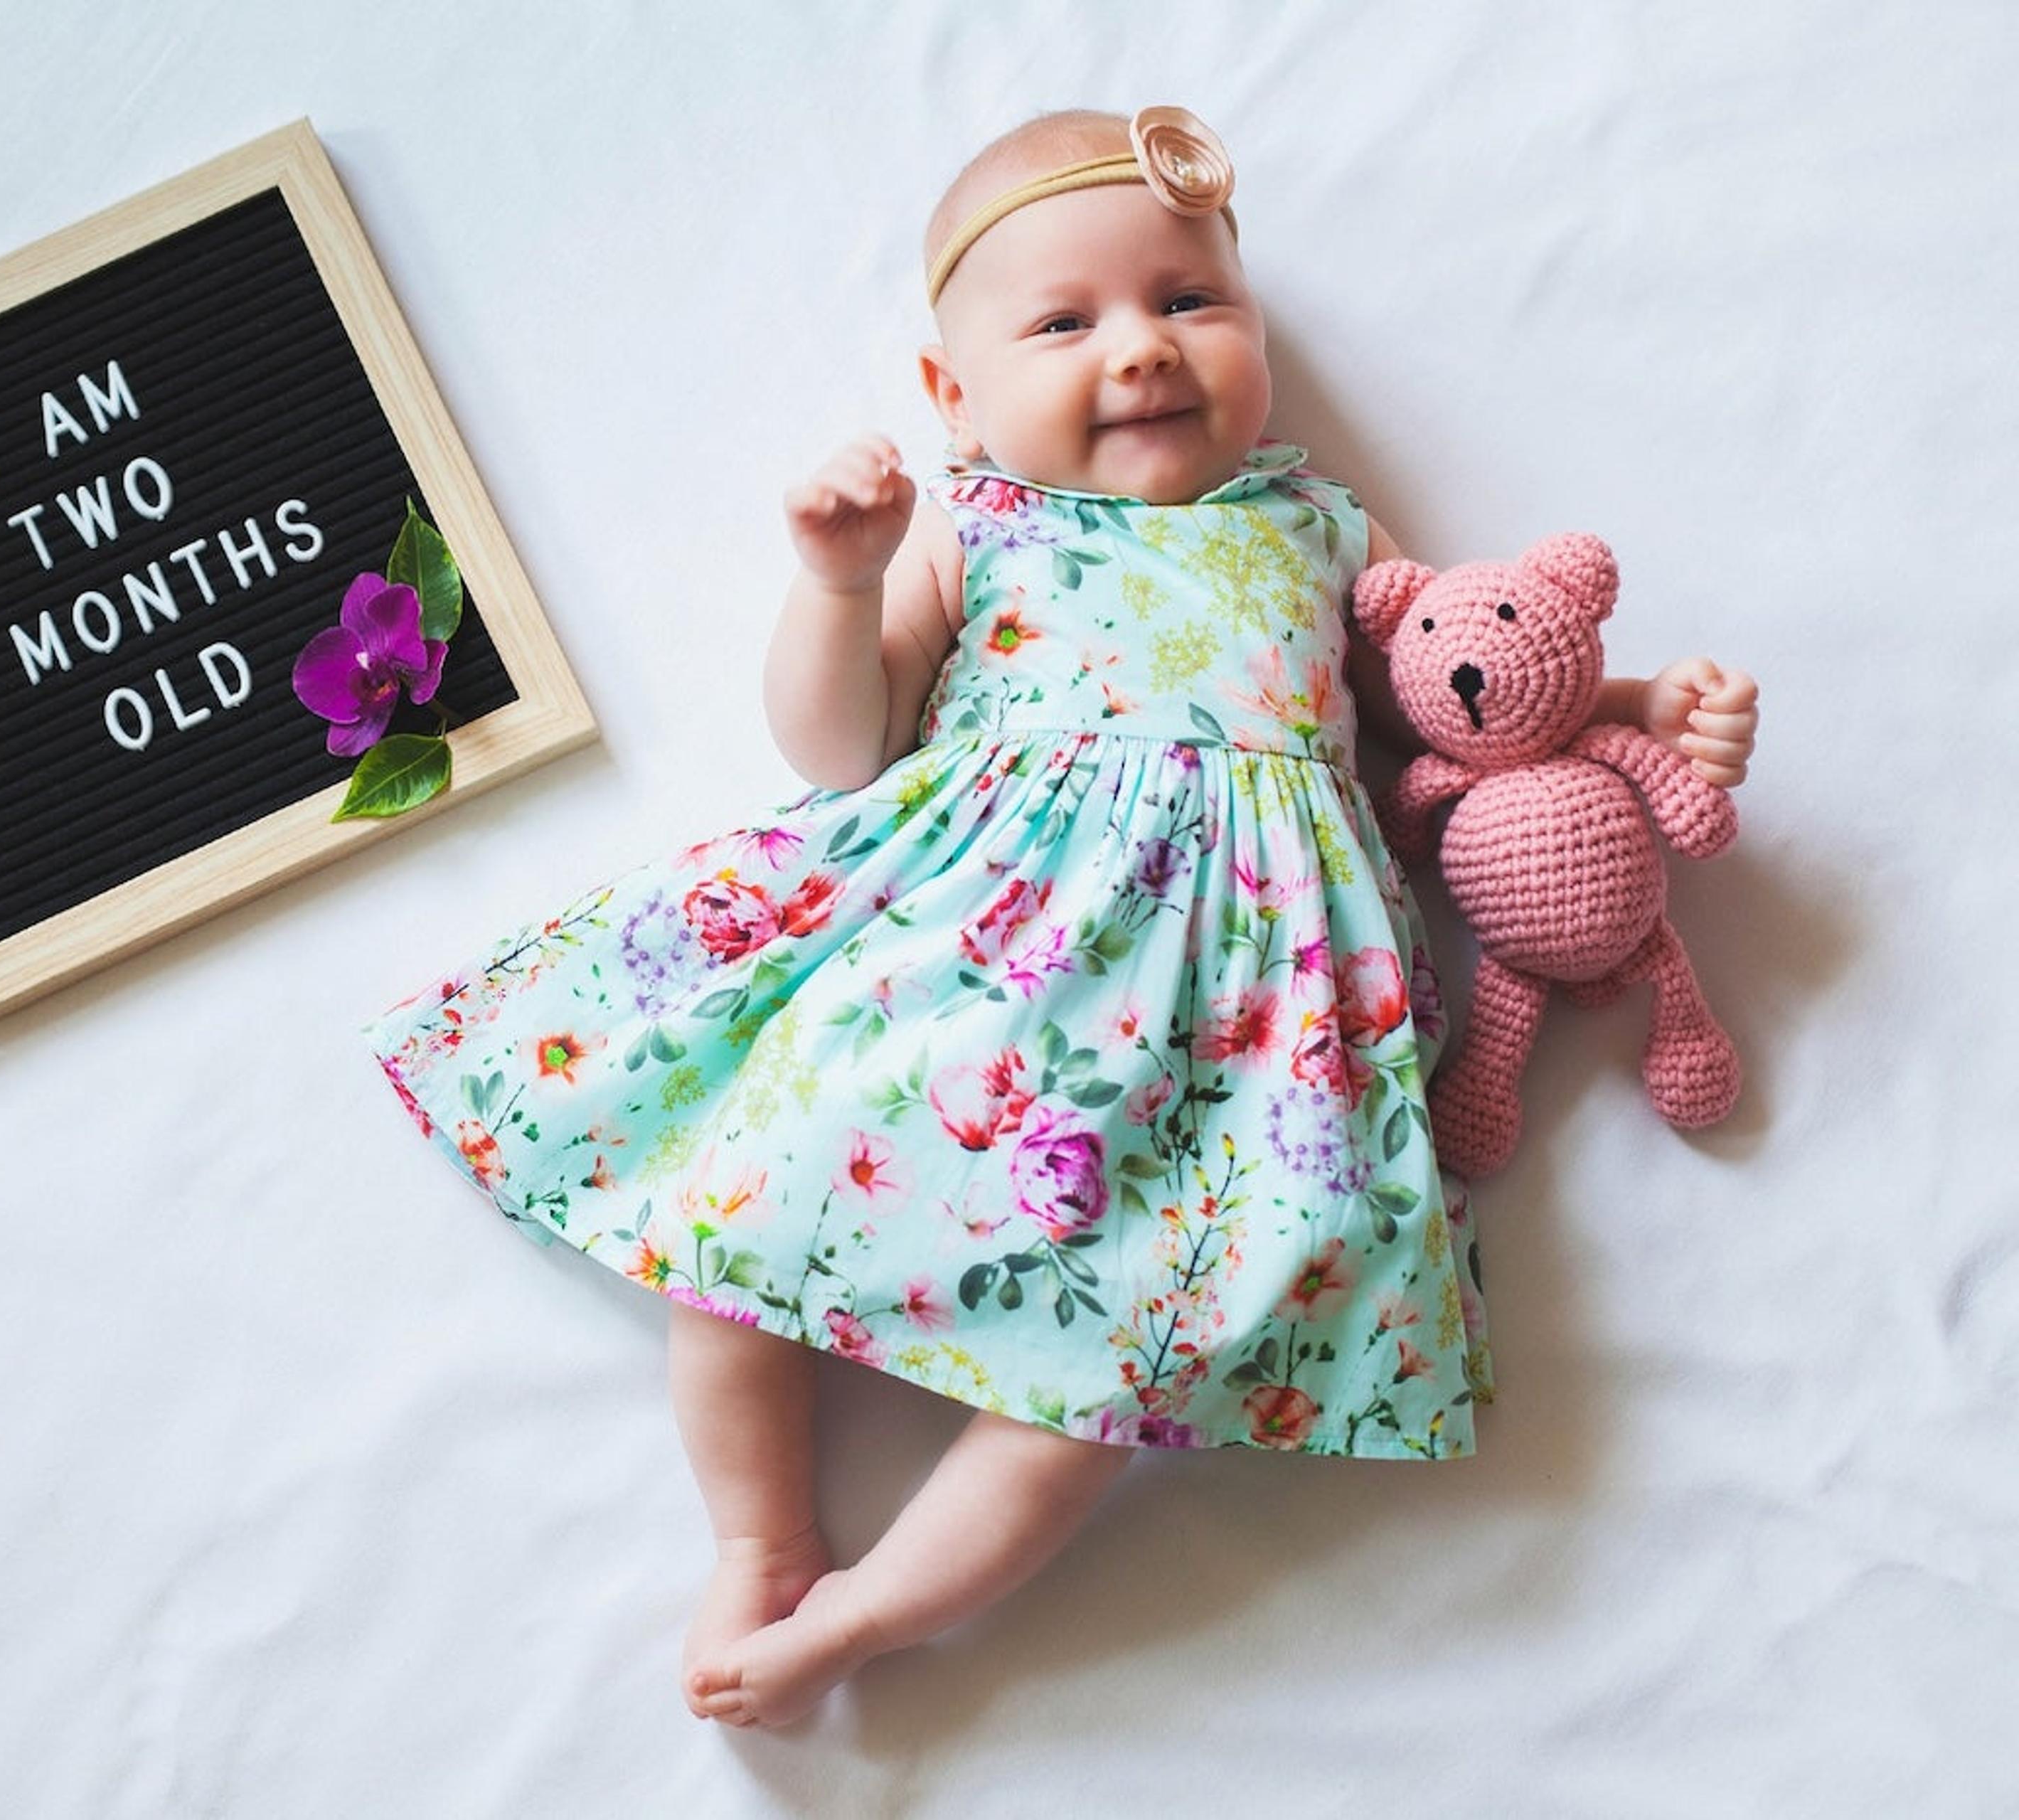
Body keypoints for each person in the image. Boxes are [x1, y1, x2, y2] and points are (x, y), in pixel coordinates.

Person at [361, 105, 1759, 1730]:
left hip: (1228, 1042)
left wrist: (1646, 705)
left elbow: (1469, 685)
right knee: (731, 1210)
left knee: (1142, 1360)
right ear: (953, 394)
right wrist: (838, 579)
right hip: (960, 952)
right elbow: (838, 744)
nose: (1142, 351)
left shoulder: (1318, 526)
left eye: (1187, 301)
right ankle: (764, 1535)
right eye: (1063, 321)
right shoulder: (980, 521)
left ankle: (875, 1609)